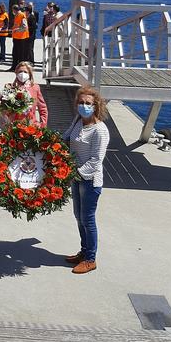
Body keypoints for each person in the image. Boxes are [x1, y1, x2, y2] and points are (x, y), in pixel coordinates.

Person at [63, 86, 110, 274]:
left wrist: (77, 173)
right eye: (81, 103)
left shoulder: (100, 130)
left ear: (96, 106)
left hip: (90, 181)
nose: (84, 106)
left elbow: (96, 160)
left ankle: (91, 259)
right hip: (75, 177)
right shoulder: (78, 121)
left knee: (88, 219)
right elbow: (66, 137)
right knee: (78, 216)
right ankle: (83, 252)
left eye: (88, 103)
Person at [4, 61, 48, 127]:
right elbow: (3, 110)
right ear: (16, 73)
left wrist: (42, 124)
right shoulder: (10, 88)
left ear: (30, 74)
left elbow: (43, 108)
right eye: (20, 72)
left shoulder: (35, 88)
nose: (22, 74)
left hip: (31, 126)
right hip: (14, 126)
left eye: (25, 72)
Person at [9, 4, 28, 70]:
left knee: (20, 55)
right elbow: (16, 25)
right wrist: (12, 29)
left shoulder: (22, 15)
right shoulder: (16, 15)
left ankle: (20, 68)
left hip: (21, 38)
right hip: (16, 37)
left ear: (14, 10)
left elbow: (24, 27)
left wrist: (16, 30)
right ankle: (14, 67)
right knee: (15, 53)